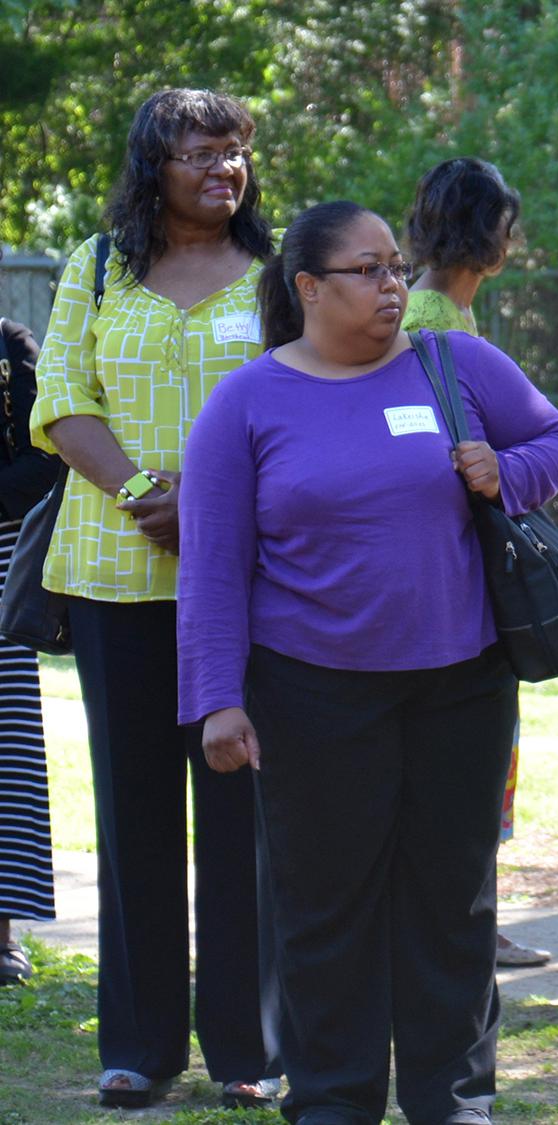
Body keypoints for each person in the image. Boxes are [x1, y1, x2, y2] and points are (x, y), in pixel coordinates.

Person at [176, 200, 558, 1124]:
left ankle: (454, 1099)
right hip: (310, 692)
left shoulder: (454, 363)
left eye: (398, 267)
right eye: (369, 270)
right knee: (325, 912)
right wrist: (216, 702)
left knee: (452, 900)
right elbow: (211, 569)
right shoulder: (246, 403)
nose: (393, 285)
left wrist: (503, 474)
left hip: (462, 683)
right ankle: (332, 1100)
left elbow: (555, 437)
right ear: (309, 286)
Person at [30, 88, 279, 1109]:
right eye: (203, 152)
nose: (225, 170)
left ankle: (250, 1050)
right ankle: (136, 1046)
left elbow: (302, 402)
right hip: (114, 577)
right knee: (133, 809)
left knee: (243, 812)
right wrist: (141, 490)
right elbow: (61, 401)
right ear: (153, 165)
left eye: (238, 154)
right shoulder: (94, 267)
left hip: (249, 583)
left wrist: (216, 503)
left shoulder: (279, 279)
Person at [402, 156, 549, 968]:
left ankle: (466, 917)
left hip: (444, 569)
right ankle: (466, 922)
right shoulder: (436, 320)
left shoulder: (424, 307)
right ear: (495, 233)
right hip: (460, 574)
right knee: (474, 749)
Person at [0, 300, 60, 987]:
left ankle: (4, 934)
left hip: (1, 564)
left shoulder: (11, 347)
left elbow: (45, 455)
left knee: (7, 752)